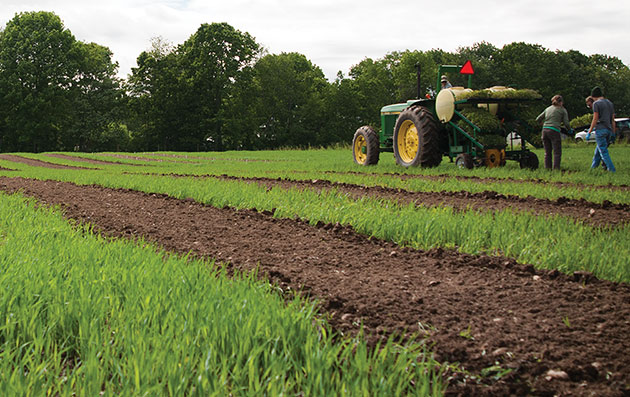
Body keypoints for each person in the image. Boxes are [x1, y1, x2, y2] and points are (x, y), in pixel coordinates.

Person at [536, 95, 570, 170]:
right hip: (554, 131)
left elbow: (538, 119)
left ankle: (547, 168)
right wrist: (569, 130)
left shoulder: (548, 109)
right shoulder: (562, 110)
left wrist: (543, 125)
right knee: (557, 151)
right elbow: (566, 123)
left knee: (547, 152)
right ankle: (556, 169)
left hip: (544, 130)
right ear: (561, 102)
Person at [587, 87, 616, 172]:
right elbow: (613, 120)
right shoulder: (610, 103)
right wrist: (613, 133)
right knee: (598, 151)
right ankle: (593, 168)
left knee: (603, 152)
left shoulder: (596, 104)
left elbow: (595, 119)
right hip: (609, 130)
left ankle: (611, 169)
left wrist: (589, 131)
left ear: (593, 96)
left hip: (600, 130)